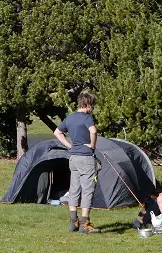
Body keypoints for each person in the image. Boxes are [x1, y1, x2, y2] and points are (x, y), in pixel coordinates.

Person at [53, 91, 100, 234]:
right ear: (87, 105)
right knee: (87, 190)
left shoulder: (70, 118)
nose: (92, 108)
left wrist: (69, 145)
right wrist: (92, 144)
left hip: (73, 158)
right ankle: (85, 224)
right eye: (92, 105)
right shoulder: (87, 118)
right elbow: (93, 130)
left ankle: (74, 222)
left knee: (74, 189)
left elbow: (57, 132)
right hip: (86, 158)